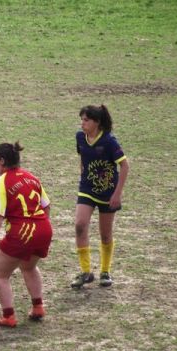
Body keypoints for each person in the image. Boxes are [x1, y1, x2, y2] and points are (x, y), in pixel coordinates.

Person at [0, 141, 53, 328]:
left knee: (0, 274)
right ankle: (38, 307)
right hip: (43, 228)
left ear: (2, 160)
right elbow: (46, 205)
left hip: (22, 232)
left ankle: (9, 316)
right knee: (29, 267)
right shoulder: (32, 178)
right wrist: (40, 225)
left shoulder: (2, 182)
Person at [70, 104, 129, 289]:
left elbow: (125, 166)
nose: (82, 123)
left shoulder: (110, 141)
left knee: (105, 234)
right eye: (81, 120)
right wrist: (82, 174)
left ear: (97, 122)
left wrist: (117, 193)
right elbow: (83, 157)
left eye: (86, 120)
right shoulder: (80, 137)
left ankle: (105, 271)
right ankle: (86, 272)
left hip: (107, 194)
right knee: (79, 225)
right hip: (86, 189)